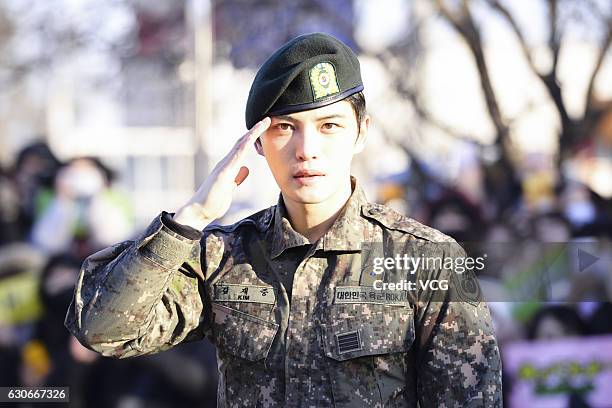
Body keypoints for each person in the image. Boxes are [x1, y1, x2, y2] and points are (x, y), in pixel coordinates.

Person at [66, 33, 502, 407]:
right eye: (284, 128)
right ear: (256, 143)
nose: (306, 149)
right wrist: (191, 218)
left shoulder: (427, 260)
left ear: (361, 130)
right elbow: (104, 330)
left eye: (329, 125)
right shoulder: (223, 257)